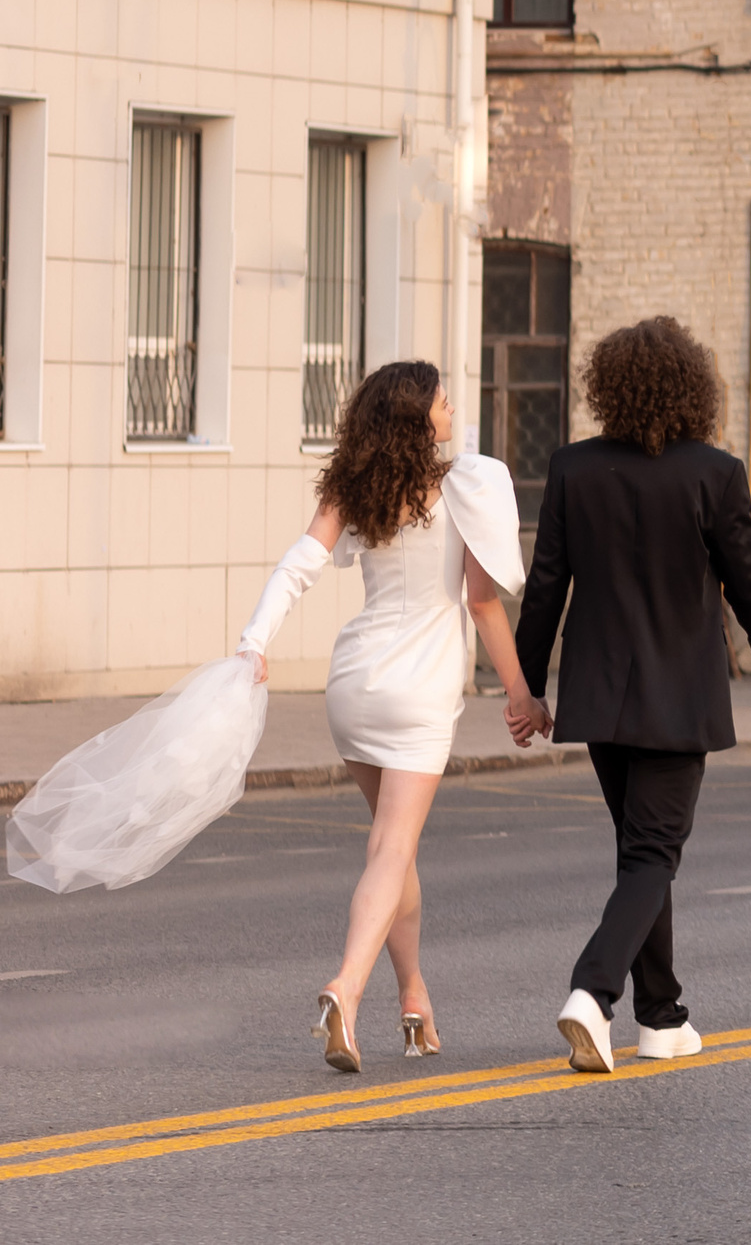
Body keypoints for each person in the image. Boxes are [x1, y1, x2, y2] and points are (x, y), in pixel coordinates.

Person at [236, 360, 533, 1073]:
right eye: (442, 400)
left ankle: (413, 996)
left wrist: (253, 640)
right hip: (420, 688)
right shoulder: (464, 486)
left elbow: (297, 566)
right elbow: (484, 604)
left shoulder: (356, 485)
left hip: (354, 683)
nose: (452, 407)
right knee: (392, 849)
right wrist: (519, 693)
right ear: (418, 418)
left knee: (391, 850)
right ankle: (347, 984)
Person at [514, 317, 751, 1074]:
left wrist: (528, 687)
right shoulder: (715, 472)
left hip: (601, 697)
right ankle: (592, 992)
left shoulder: (572, 468)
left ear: (611, 387)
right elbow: (747, 578)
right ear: (693, 386)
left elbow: (546, 590)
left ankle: (662, 1017)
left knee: (642, 854)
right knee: (652, 854)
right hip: (678, 698)